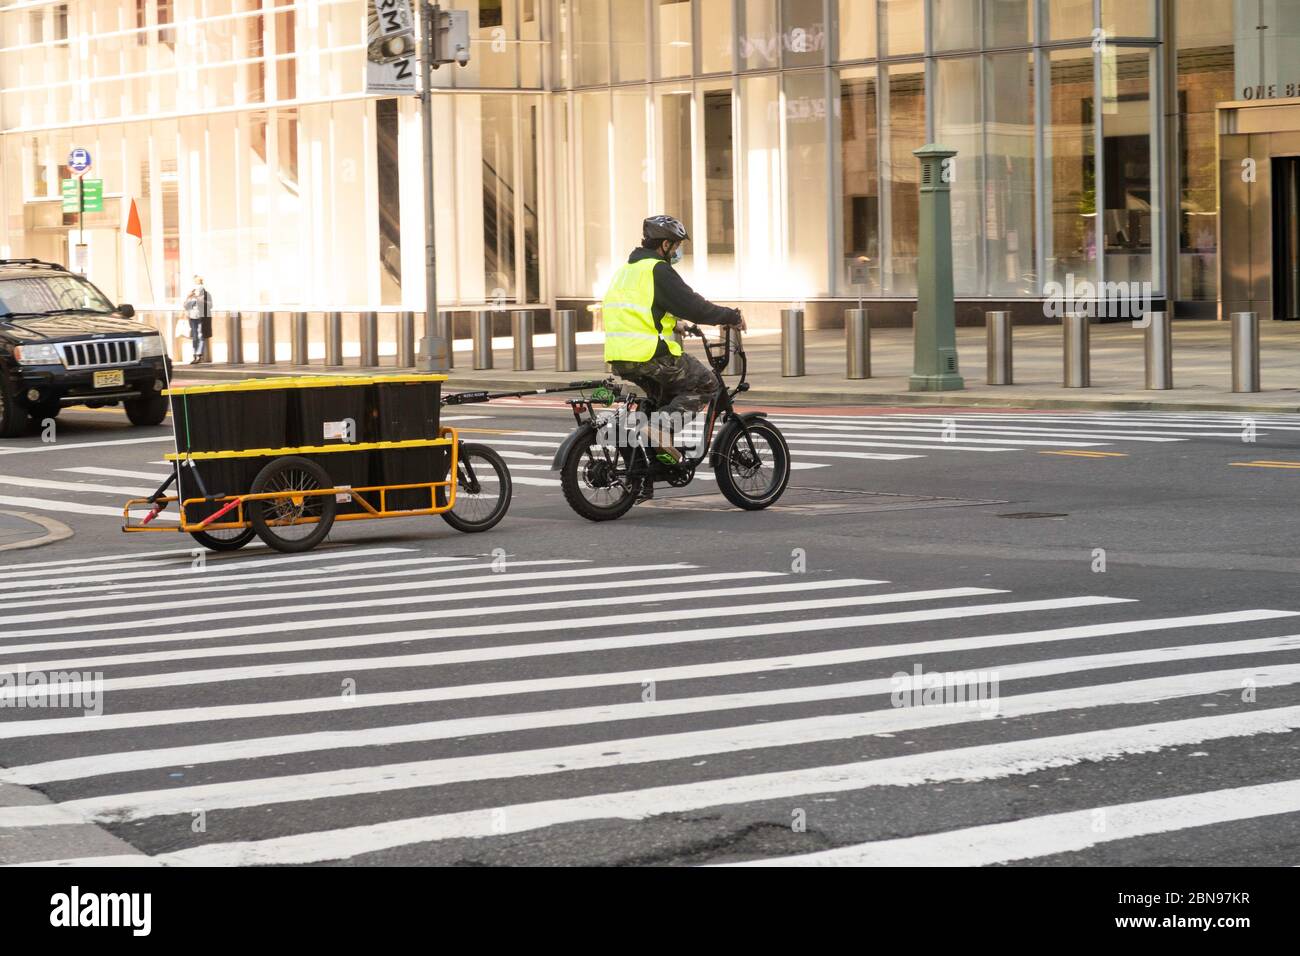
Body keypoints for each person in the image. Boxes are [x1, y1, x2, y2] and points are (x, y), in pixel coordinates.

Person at [602, 215, 745, 467]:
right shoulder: (657, 269)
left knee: (661, 398)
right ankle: (658, 430)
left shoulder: (627, 270)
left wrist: (675, 324)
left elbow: (636, 309)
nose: (677, 252)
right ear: (665, 245)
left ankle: (647, 466)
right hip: (646, 353)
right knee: (705, 384)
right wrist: (731, 316)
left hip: (618, 354)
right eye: (676, 246)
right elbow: (695, 306)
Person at [183, 276, 212, 364]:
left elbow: (210, 305)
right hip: (192, 317)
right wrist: (188, 297)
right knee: (195, 337)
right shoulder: (191, 294)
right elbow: (185, 306)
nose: (196, 284)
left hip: (201, 317)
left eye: (198, 282)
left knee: (200, 336)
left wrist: (200, 299)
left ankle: (199, 355)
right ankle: (195, 355)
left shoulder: (206, 294)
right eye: (195, 282)